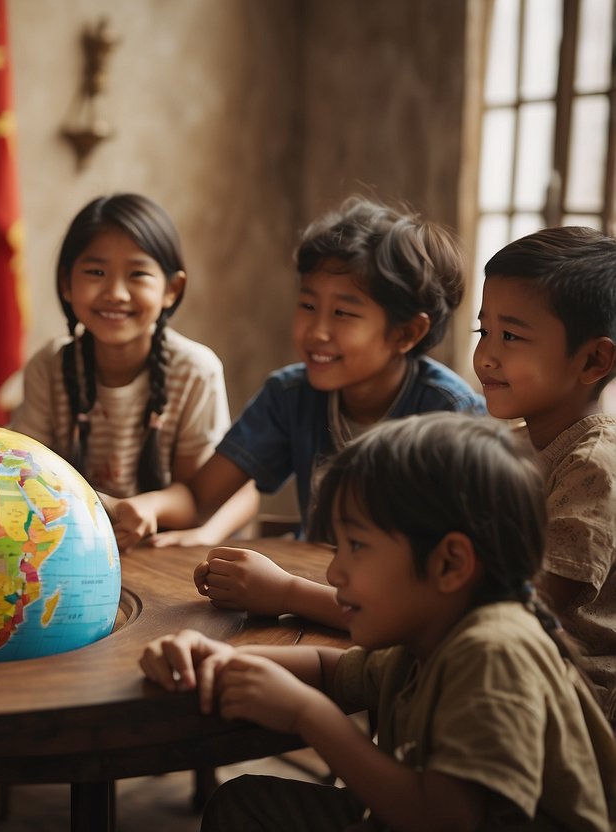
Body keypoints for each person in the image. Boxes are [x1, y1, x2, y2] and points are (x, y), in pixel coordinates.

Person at [141, 413, 616, 831]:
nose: (334, 572)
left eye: (357, 547)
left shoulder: (492, 649)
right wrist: (225, 658)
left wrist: (308, 715)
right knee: (245, 805)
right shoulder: (435, 630)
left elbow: (444, 817)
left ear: (450, 564)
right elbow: (334, 669)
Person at [171, 197, 485, 627]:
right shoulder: (290, 394)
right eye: (307, 305)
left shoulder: (449, 416)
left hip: (392, 631)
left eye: (343, 313)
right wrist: (137, 509)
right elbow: (202, 496)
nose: (316, 331)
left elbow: (440, 601)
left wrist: (284, 591)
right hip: (313, 594)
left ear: (407, 332)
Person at [10, 193, 258, 550]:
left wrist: (146, 507)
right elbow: (27, 472)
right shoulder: (48, 367)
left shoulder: (195, 371)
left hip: (161, 551)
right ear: (67, 284)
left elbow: (196, 497)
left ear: (172, 290)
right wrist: (104, 506)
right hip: (73, 547)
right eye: (96, 272)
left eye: (137, 274)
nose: (115, 293)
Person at [475, 226, 616, 725]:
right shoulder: (507, 446)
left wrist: (300, 595)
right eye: (483, 331)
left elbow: (528, 605)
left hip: (576, 697)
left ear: (594, 359)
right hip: (501, 655)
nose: (486, 355)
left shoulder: (592, 464)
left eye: (510, 336)